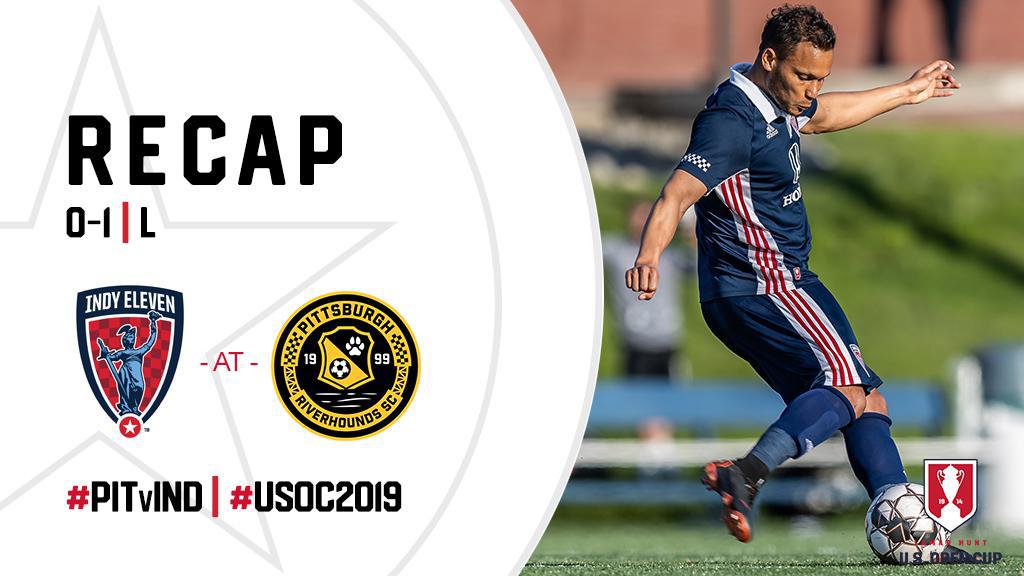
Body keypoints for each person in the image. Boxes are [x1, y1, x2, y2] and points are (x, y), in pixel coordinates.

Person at [625, 4, 959, 542]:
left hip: (777, 284)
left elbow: (824, 115)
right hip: (765, 284)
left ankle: (906, 523)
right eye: (804, 76)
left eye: (821, 78)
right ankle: (746, 474)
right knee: (845, 384)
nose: (812, 90)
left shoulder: (778, 103)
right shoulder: (731, 122)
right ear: (769, 59)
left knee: (865, 400)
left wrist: (906, 91)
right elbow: (676, 193)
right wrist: (648, 256)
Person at [603, 202, 693, 378]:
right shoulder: (616, 250)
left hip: (668, 341)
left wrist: (692, 233)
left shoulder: (669, 253)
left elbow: (696, 264)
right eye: (638, 216)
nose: (642, 221)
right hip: (633, 342)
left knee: (671, 394)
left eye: (647, 216)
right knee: (635, 393)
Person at [97, 310, 162, 416]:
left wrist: (153, 322)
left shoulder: (140, 351)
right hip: (125, 372)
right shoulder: (122, 352)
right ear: (125, 341)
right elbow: (112, 357)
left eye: (132, 337)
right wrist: (105, 354)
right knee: (126, 388)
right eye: (129, 337)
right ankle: (126, 408)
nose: (131, 339)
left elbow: (151, 340)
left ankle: (134, 407)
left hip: (137, 374)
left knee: (140, 387)